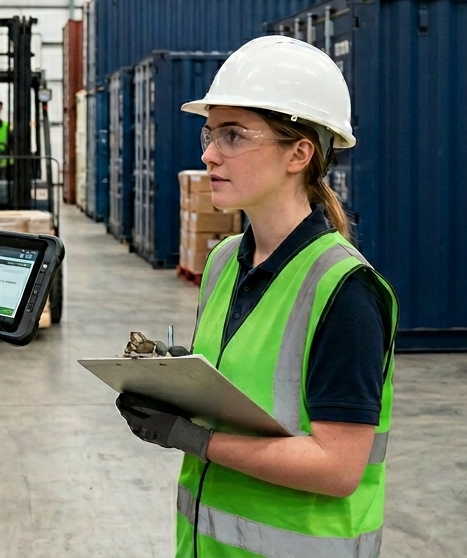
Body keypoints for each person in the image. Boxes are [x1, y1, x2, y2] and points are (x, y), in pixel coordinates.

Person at [114, 35, 399, 558]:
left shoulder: (345, 290)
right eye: (209, 133)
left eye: (233, 136)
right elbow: (255, 392)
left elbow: (337, 469)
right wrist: (177, 383)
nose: (208, 153)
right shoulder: (224, 260)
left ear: (299, 153)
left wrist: (190, 437)